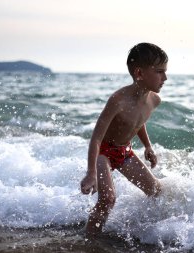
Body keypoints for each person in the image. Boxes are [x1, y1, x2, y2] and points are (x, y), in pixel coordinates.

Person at [80, 42, 168, 238]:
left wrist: (147, 146)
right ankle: (89, 238)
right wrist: (91, 172)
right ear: (139, 73)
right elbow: (96, 137)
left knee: (155, 190)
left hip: (124, 151)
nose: (165, 78)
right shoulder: (118, 100)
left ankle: (144, 233)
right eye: (160, 72)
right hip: (103, 152)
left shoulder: (154, 100)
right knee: (108, 199)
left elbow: (137, 121)